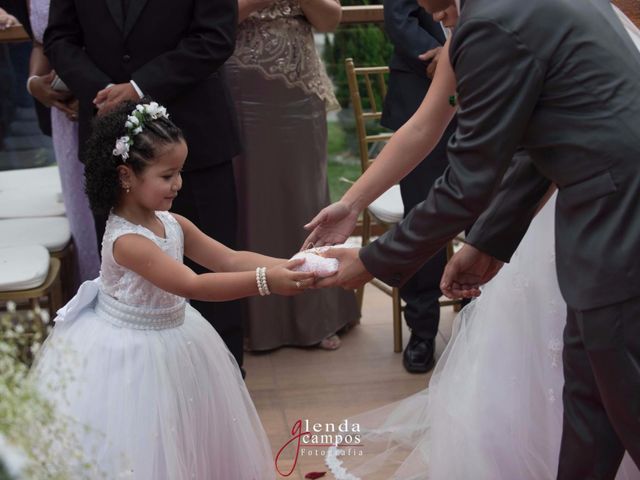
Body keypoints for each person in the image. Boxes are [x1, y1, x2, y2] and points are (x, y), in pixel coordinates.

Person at [308, 0, 640, 477]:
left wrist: (372, 260)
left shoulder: (491, 22)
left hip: (620, 223)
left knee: (624, 398)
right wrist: (487, 242)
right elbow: (542, 147)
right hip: (606, 220)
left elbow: (467, 184)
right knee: (591, 403)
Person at [30, 101, 318, 479]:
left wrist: (291, 264)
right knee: (146, 442)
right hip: (131, 354)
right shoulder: (127, 241)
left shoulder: (172, 222)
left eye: (180, 172)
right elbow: (192, 284)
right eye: (167, 175)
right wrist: (267, 282)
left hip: (178, 335)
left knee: (188, 434)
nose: (178, 184)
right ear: (126, 176)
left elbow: (229, 259)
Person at [43, 0, 246, 370]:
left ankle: (224, 381)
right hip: (110, 143)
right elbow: (59, 37)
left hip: (193, 139)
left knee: (211, 276)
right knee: (126, 286)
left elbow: (215, 36)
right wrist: (102, 90)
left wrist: (139, 87)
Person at [226, 0, 359, 351]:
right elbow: (211, 18)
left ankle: (316, 316)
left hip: (300, 89)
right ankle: (256, 322)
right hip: (243, 88)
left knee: (306, 196)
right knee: (253, 200)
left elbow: (331, 19)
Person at [381, 0, 457, 373]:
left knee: (489, 210)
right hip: (419, 86)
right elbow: (399, 16)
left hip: (490, 85)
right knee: (424, 215)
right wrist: (441, 57)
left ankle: (481, 316)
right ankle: (423, 329)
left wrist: (463, 48)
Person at [27, 0, 100, 284]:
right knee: (82, 214)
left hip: (111, 97)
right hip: (64, 112)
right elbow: (40, 42)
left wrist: (90, 87)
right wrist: (34, 83)